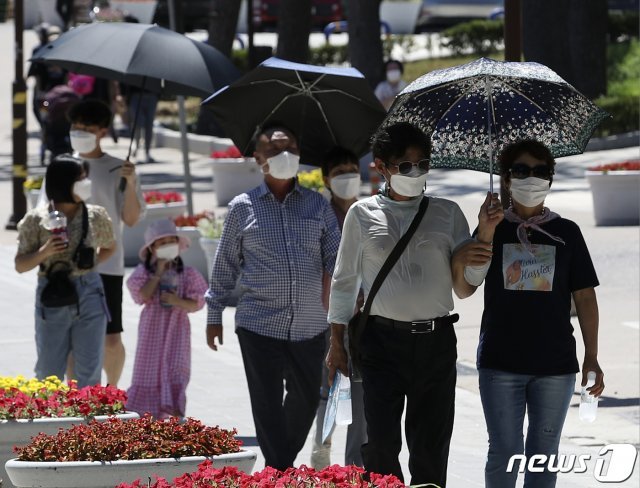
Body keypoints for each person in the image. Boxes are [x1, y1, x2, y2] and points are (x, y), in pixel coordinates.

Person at [326, 122, 502, 486]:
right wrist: (335, 342)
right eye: (406, 166)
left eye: (423, 164)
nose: (416, 172)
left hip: (435, 344)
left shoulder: (448, 212)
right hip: (380, 343)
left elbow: (466, 287)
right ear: (381, 167)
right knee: (381, 447)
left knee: (430, 448)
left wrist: (484, 232)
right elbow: (344, 282)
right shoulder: (361, 214)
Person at [456, 139, 604, 488]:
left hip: (556, 368)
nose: (531, 178)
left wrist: (592, 356)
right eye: (521, 170)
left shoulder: (567, 232)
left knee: (543, 459)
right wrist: (486, 231)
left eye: (541, 172)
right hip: (500, 364)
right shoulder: (491, 228)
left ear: (551, 179)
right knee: (504, 456)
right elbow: (465, 286)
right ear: (506, 179)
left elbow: (584, 297)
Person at [205, 124, 342, 470]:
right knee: (265, 405)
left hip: (310, 325)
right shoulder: (242, 207)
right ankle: (280, 470)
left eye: (291, 148)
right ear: (258, 158)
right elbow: (225, 265)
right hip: (258, 325)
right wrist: (213, 314)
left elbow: (337, 259)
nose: (285, 155)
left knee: (307, 400)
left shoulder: (318, 206)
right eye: (276, 149)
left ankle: (275, 468)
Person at [15, 154, 115, 387]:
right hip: (52, 294)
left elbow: (110, 247)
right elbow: (20, 265)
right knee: (48, 373)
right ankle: (47, 423)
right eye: (80, 178)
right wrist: (44, 252)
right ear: (63, 183)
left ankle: (86, 424)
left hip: (89, 291)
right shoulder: (36, 220)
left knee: (89, 372)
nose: (86, 182)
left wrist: (89, 264)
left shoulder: (95, 215)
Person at [67, 99, 146, 387]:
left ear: (102, 131)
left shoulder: (118, 168)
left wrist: (132, 181)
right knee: (73, 337)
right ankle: (75, 397)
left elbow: (132, 218)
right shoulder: (63, 165)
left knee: (111, 338)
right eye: (76, 126)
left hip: (108, 265)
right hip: (69, 265)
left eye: (87, 127)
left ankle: (111, 393)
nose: (80, 131)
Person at [311, 146, 367, 469]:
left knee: (361, 394)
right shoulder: (320, 216)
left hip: (364, 321)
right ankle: (320, 459)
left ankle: (355, 467)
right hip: (327, 319)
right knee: (329, 388)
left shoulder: (368, 211)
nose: (347, 176)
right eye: (339, 171)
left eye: (352, 169)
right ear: (326, 178)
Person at [126, 219, 208, 419]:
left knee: (176, 369)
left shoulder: (187, 274)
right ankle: (145, 418)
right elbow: (141, 296)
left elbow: (198, 302)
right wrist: (158, 273)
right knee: (148, 371)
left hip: (177, 331)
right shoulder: (144, 272)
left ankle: (172, 416)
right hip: (152, 331)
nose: (168, 246)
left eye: (172, 241)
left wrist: (176, 300)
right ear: (152, 248)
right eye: (162, 243)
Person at [125, 85, 159, 163]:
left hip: (151, 94)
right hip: (135, 94)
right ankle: (136, 147)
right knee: (138, 123)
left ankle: (147, 152)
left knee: (149, 125)